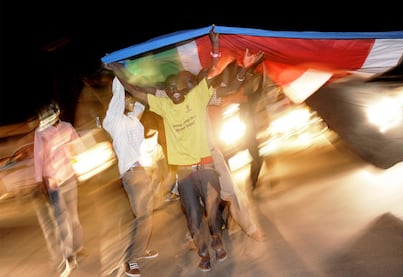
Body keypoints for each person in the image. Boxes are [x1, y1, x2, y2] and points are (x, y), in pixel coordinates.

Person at [105, 26, 264, 272]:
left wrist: (227, 55)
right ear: (166, 93)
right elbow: (138, 90)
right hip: (184, 172)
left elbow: (218, 79)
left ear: (187, 87)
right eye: (170, 90)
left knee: (213, 211)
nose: (175, 92)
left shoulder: (198, 95)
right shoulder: (164, 105)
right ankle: (203, 253)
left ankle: (218, 241)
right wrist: (117, 70)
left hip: (207, 164)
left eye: (179, 87)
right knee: (193, 215)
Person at [102, 78, 158, 277]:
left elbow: (143, 101)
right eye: (128, 99)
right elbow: (117, 97)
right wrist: (120, 75)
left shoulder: (133, 120)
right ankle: (129, 260)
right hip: (131, 174)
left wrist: (142, 79)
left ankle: (141, 250)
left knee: (147, 215)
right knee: (142, 217)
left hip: (142, 171)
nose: (131, 102)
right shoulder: (113, 121)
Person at [33, 100, 84, 277]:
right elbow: (38, 156)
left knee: (74, 216)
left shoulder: (67, 127)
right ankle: (69, 256)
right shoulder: (40, 132)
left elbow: (78, 146)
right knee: (62, 221)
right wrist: (39, 179)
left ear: (57, 113)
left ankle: (78, 247)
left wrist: (80, 162)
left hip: (69, 177)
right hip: (54, 182)